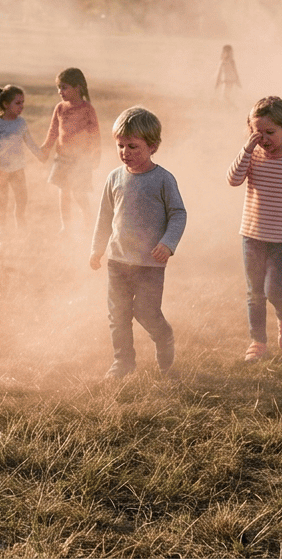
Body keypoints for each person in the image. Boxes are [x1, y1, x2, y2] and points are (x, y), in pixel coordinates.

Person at [90, 107, 186, 378]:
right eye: (120, 145)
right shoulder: (114, 178)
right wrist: (97, 249)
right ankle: (123, 362)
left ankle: (164, 341)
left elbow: (178, 214)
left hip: (149, 264)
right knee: (118, 316)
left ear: (152, 146)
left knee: (146, 313)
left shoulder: (163, 180)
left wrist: (167, 244)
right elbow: (105, 216)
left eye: (133, 146)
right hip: (118, 261)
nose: (125, 152)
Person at [226, 97, 282, 363]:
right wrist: (246, 150)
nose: (263, 138)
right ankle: (257, 342)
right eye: (256, 133)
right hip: (251, 236)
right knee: (255, 293)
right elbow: (233, 180)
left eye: (270, 132)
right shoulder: (251, 157)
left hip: (281, 239)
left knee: (274, 289)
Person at [0, 85, 47, 236]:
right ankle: (1, 228)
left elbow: (29, 142)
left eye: (23, 102)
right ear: (6, 104)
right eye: (18, 103)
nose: (22, 106)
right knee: (3, 198)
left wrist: (40, 155)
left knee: (22, 197)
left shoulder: (21, 123)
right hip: (0, 167)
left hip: (18, 167)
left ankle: (20, 221)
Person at [40, 68, 101, 234]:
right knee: (64, 193)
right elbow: (53, 130)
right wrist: (46, 147)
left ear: (78, 87)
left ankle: (88, 220)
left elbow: (95, 133)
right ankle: (65, 226)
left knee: (79, 194)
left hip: (81, 160)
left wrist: (96, 154)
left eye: (64, 87)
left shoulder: (88, 109)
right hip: (62, 158)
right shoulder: (60, 108)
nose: (60, 91)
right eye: (59, 88)